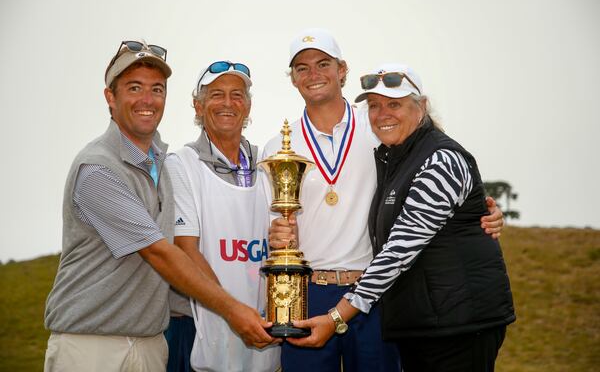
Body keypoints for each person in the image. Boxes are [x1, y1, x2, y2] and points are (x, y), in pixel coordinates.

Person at [265, 29, 505, 372]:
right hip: (309, 290)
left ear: (342, 70)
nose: (313, 74)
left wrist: (484, 209)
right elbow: (270, 223)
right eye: (302, 68)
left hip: (376, 290)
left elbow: (438, 181)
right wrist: (275, 236)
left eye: (323, 64)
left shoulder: (378, 126)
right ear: (293, 79)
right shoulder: (278, 146)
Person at [44, 41, 276, 372]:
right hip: (92, 343)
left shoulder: (159, 163)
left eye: (157, 89)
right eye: (134, 88)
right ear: (111, 98)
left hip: (150, 341)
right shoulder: (98, 168)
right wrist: (234, 310)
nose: (147, 100)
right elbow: (160, 253)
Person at [165, 61, 280, 371]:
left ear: (249, 105)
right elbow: (185, 249)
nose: (228, 103)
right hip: (196, 325)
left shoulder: (267, 163)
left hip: (259, 323)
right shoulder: (180, 164)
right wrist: (232, 310)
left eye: (237, 95)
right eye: (216, 95)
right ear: (198, 105)